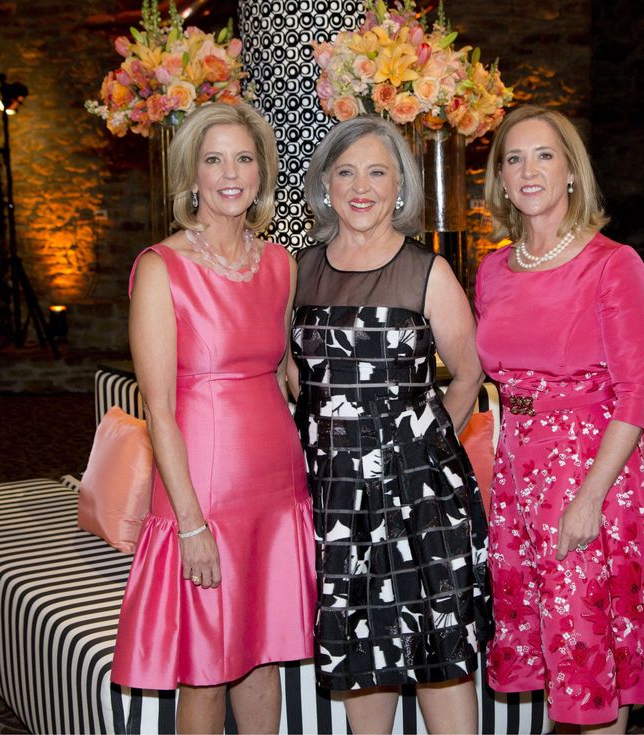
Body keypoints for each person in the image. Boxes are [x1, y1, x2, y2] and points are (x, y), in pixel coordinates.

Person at [475, 105, 644, 732]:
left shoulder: (612, 263)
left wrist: (588, 499)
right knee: (558, 648)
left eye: (545, 155)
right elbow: (491, 378)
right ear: (500, 178)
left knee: (592, 652)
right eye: (514, 158)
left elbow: (638, 391)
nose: (529, 171)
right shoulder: (493, 269)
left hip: (594, 475)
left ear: (572, 173)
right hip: (519, 475)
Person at [110, 102, 316, 735]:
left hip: (277, 491)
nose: (231, 173)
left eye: (245, 158)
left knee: (263, 658)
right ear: (191, 175)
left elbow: (289, 377)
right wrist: (192, 523)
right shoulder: (160, 268)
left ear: (262, 172)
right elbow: (160, 412)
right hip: (202, 492)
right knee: (204, 668)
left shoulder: (281, 263)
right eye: (214, 159)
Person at [288, 115, 492, 734]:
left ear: (400, 187)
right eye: (346, 171)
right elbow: (288, 376)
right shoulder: (295, 270)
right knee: (359, 657)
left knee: (440, 658)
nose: (361, 186)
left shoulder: (428, 271)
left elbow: (469, 372)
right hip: (334, 499)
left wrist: (426, 447)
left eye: (378, 171)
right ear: (325, 184)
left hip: (422, 498)